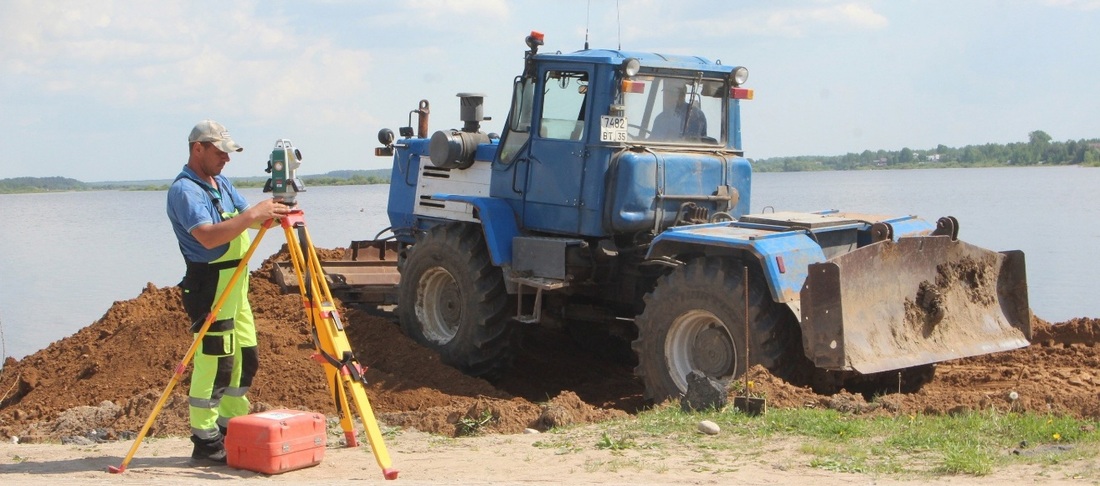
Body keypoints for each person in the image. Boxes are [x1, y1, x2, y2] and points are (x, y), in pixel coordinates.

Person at [166, 120, 288, 464]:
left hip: (237, 285)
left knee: (244, 358)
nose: (226, 159)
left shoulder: (220, 183)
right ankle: (205, 440)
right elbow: (208, 235)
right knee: (215, 363)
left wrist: (274, 213)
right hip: (209, 284)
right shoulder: (186, 191)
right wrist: (252, 213)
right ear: (198, 149)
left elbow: (249, 220)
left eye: (227, 153)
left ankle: (231, 426)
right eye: (220, 152)